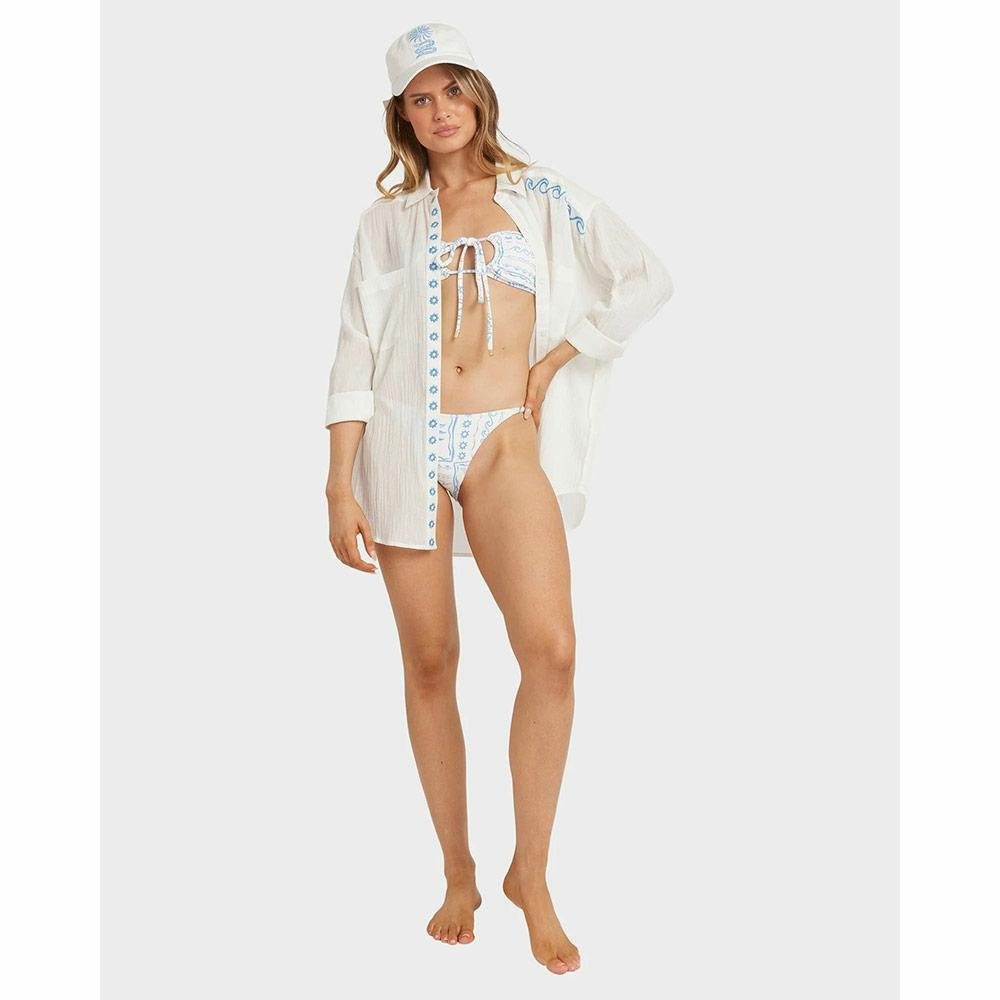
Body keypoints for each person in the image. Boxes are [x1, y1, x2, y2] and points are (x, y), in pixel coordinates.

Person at [324, 22, 673, 976]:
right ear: (401, 116)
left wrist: (558, 360)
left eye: (453, 91)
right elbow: (355, 347)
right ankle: (459, 872)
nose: (440, 111)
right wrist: (338, 481)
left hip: (501, 439)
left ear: (479, 95)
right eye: (420, 98)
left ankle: (534, 875)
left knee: (551, 651)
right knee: (430, 660)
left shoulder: (541, 194)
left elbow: (644, 276)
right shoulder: (385, 223)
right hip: (401, 441)